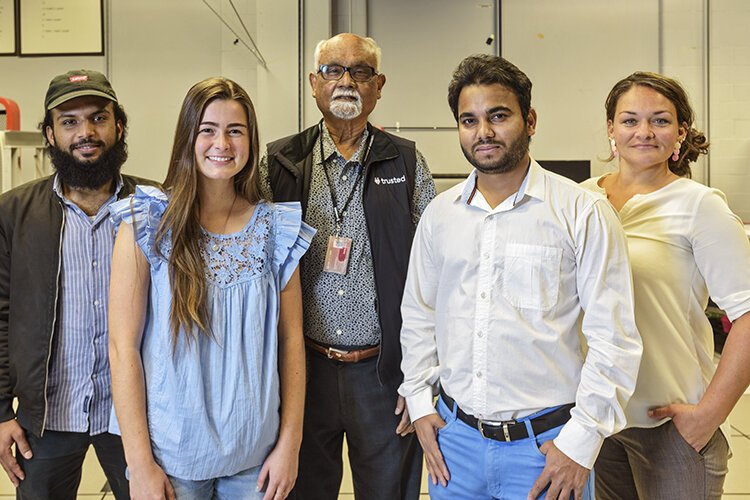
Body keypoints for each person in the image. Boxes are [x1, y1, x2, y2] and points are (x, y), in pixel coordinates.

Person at [399, 54, 643, 500]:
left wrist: (581, 442)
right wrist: (418, 402)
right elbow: (419, 313)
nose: (483, 132)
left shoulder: (580, 212)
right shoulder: (440, 215)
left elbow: (615, 337)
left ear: (529, 120)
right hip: (455, 446)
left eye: (498, 116)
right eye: (468, 120)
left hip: (546, 449)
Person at [107, 77, 312, 499]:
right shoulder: (147, 223)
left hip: (256, 458)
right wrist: (139, 463)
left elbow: (292, 341)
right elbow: (121, 348)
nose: (222, 142)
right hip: (172, 458)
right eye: (208, 129)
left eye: (235, 130)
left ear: (251, 142)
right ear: (188, 137)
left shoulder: (276, 229)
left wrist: (290, 444)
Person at [258, 33, 435, 499]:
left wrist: (418, 377)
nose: (346, 81)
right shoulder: (278, 163)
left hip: (382, 376)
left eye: (360, 72)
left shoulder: (408, 162)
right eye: (334, 70)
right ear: (314, 83)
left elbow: (433, 278)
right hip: (302, 372)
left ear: (379, 86)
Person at [581, 71, 750, 500]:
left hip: (672, 425)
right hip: (598, 418)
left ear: (680, 133)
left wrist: (707, 415)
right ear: (610, 130)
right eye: (630, 120)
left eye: (659, 120)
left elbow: (748, 316)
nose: (643, 132)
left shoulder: (700, 206)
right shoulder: (580, 200)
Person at [0, 69, 147, 499]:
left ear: (119, 126)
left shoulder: (156, 207)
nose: (86, 133)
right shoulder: (13, 213)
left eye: (98, 118)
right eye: (69, 121)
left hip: (135, 414)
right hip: (46, 417)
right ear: (49, 133)